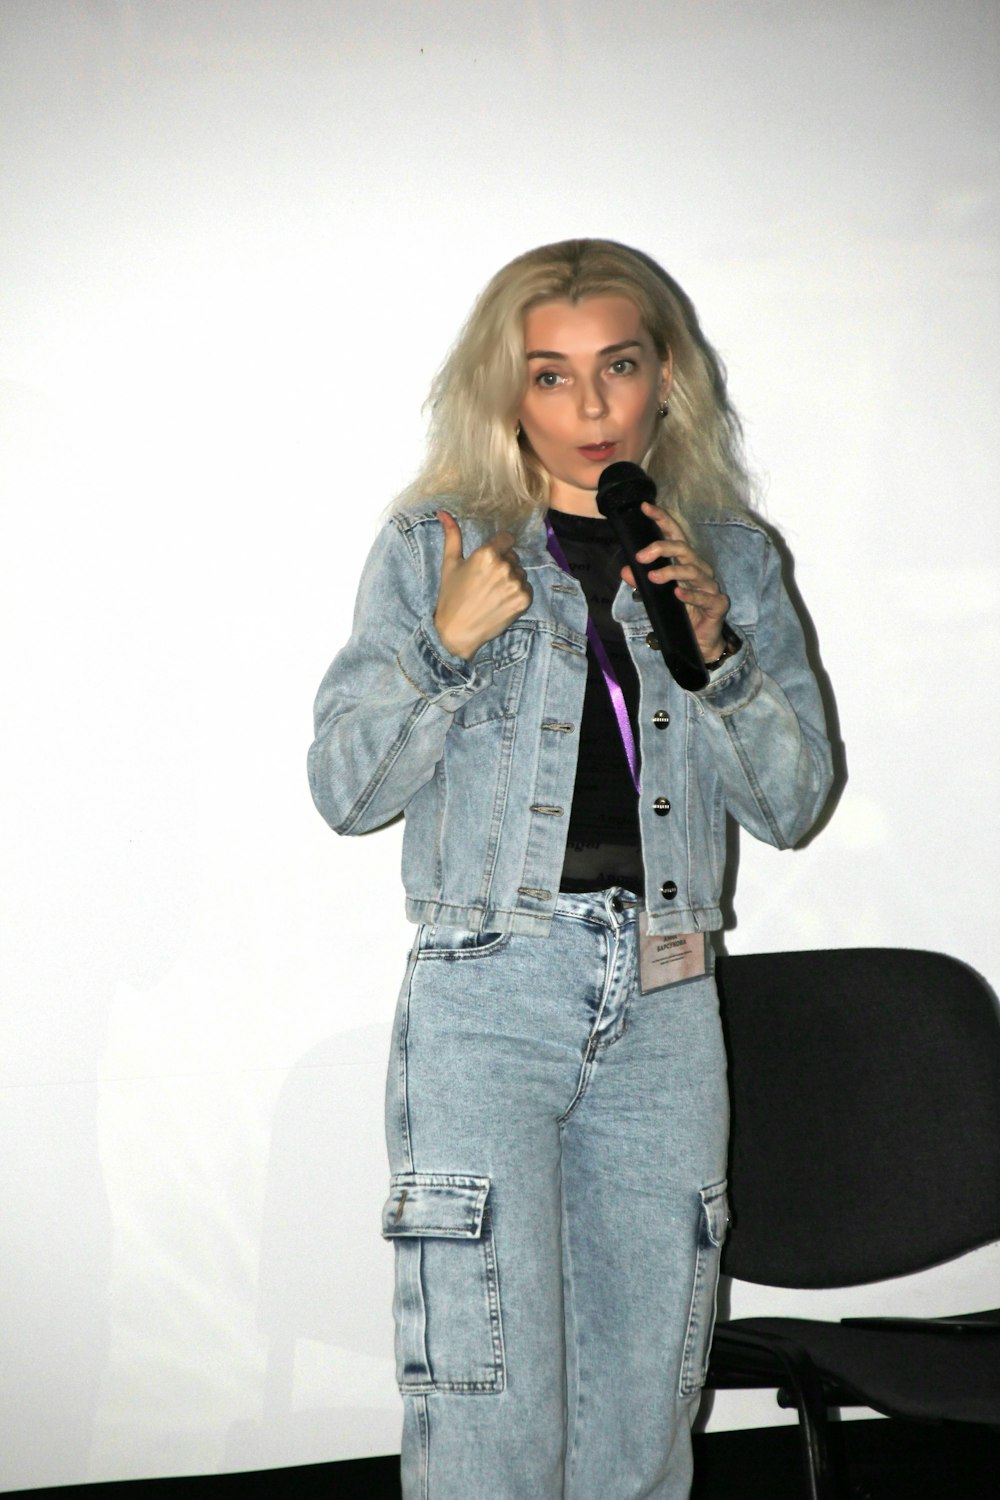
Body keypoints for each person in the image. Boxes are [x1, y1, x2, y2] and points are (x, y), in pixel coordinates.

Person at [308, 239, 833, 1500]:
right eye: (550, 376)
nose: (590, 408)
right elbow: (346, 792)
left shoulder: (732, 557)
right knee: (488, 1390)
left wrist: (720, 657)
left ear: (666, 382)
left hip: (665, 995)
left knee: (646, 1394)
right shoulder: (438, 546)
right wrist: (439, 645)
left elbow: (794, 803)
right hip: (492, 987)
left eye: (618, 369)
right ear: (507, 393)